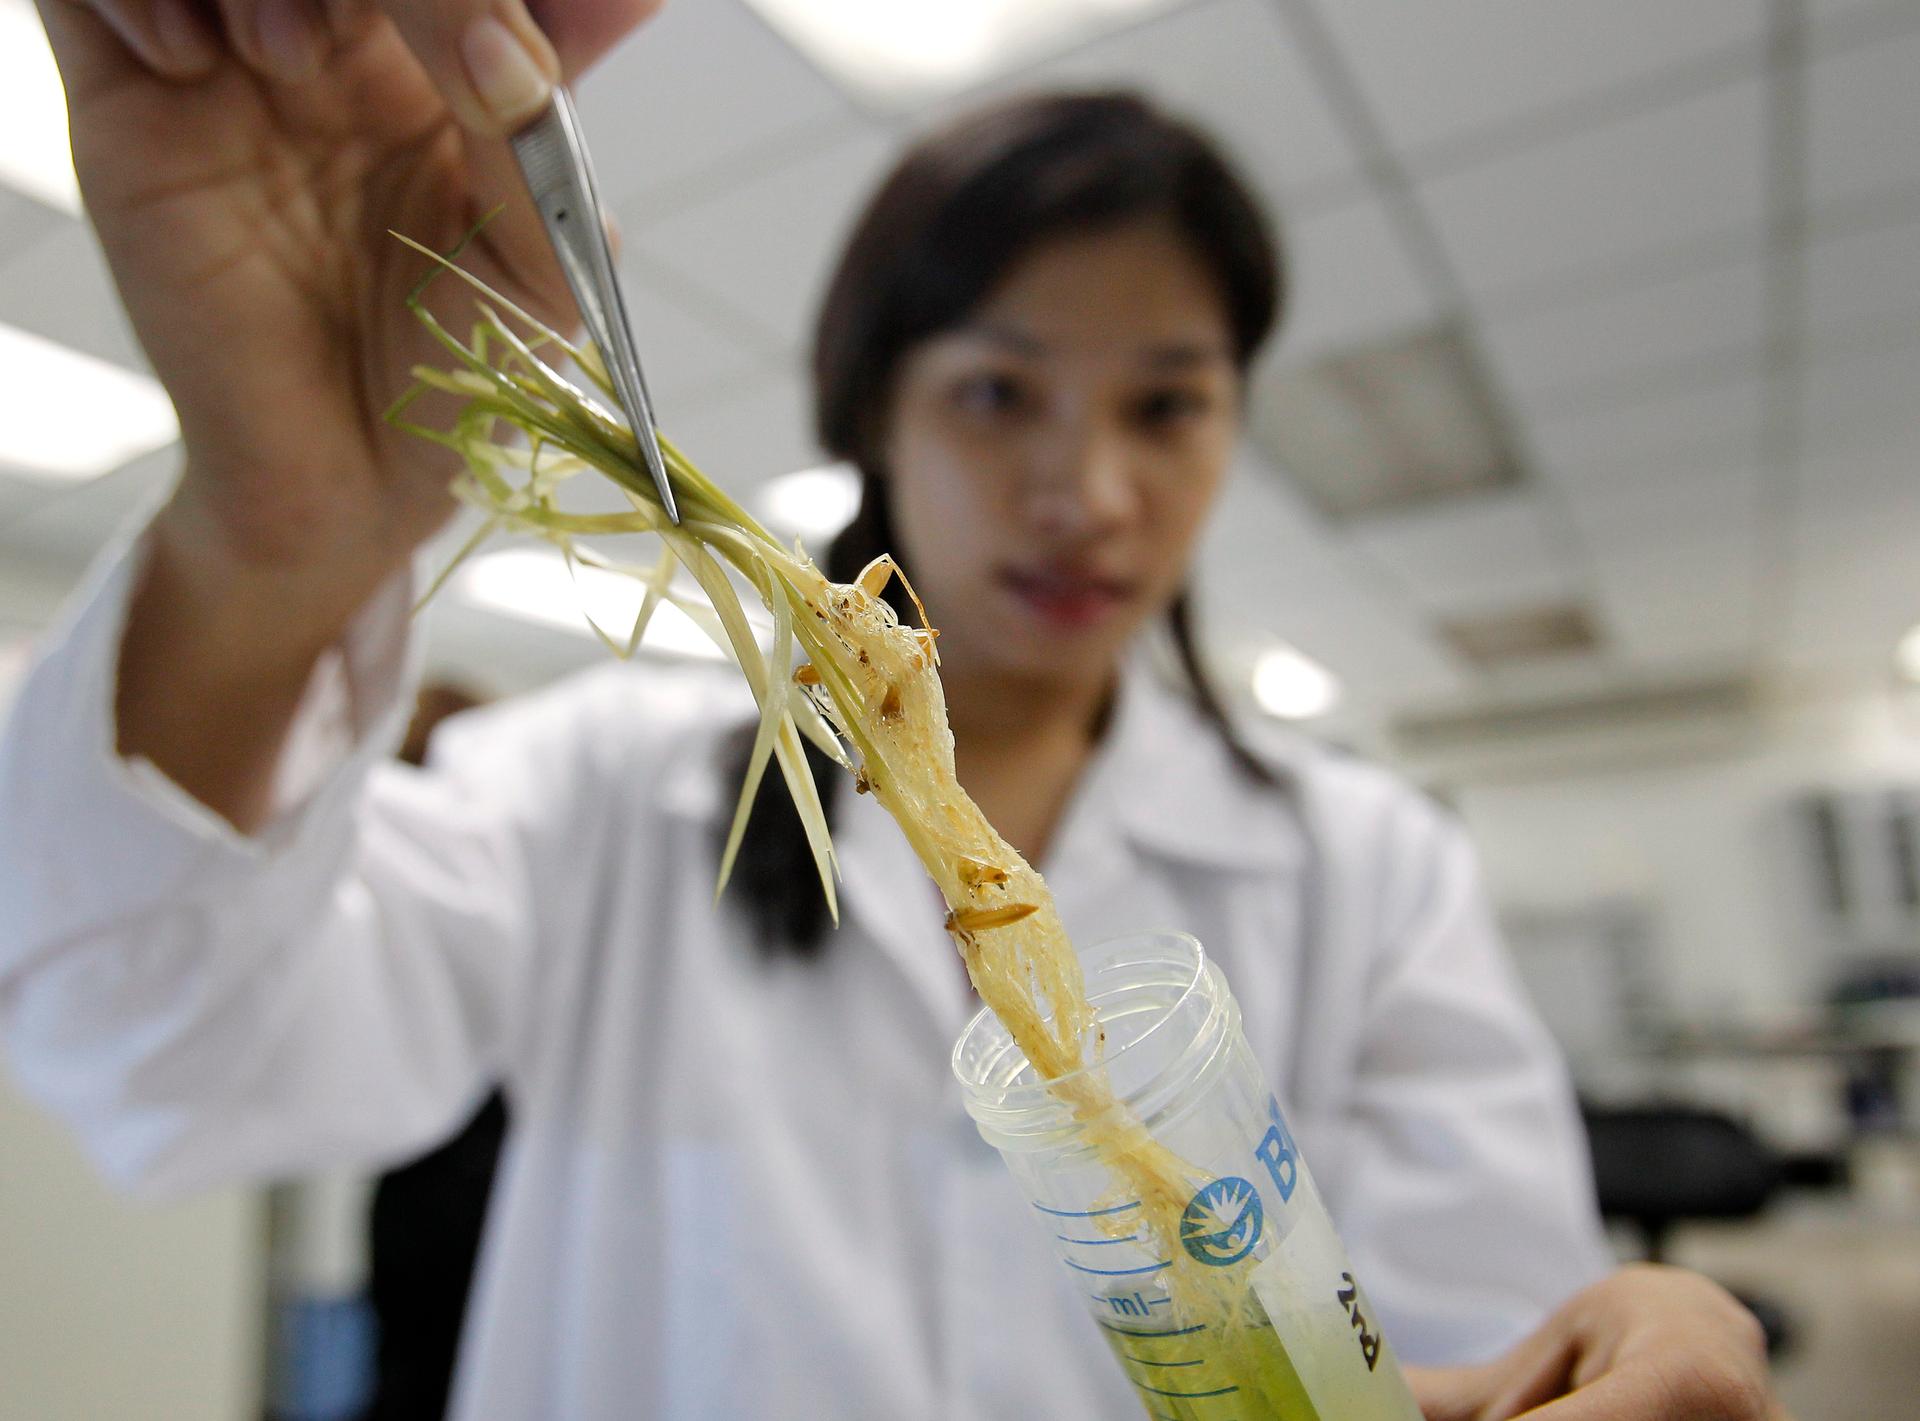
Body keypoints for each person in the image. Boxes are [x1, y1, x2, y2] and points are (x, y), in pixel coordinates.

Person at [0, 0, 1779, 1416]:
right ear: (877, 414)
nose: (1087, 489)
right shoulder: (599, 794)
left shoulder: (1365, 868)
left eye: (1166, 405)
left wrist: (1599, 1337)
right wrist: (274, 542)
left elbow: (1460, 1336)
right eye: (1000, 393)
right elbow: (146, 1051)